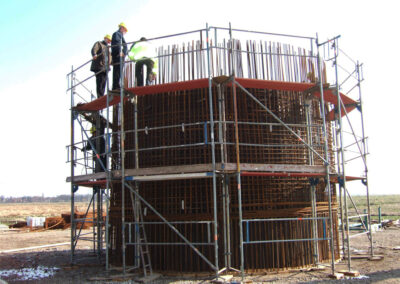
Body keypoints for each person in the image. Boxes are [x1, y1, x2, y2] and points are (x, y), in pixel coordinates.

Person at [111, 23, 128, 90]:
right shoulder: (117, 34)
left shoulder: (120, 36)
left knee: (119, 71)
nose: (125, 32)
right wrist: (120, 52)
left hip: (120, 55)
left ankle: (116, 85)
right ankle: (115, 86)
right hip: (118, 56)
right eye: (125, 30)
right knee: (117, 71)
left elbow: (124, 46)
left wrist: (124, 53)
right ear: (122, 28)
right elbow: (117, 44)